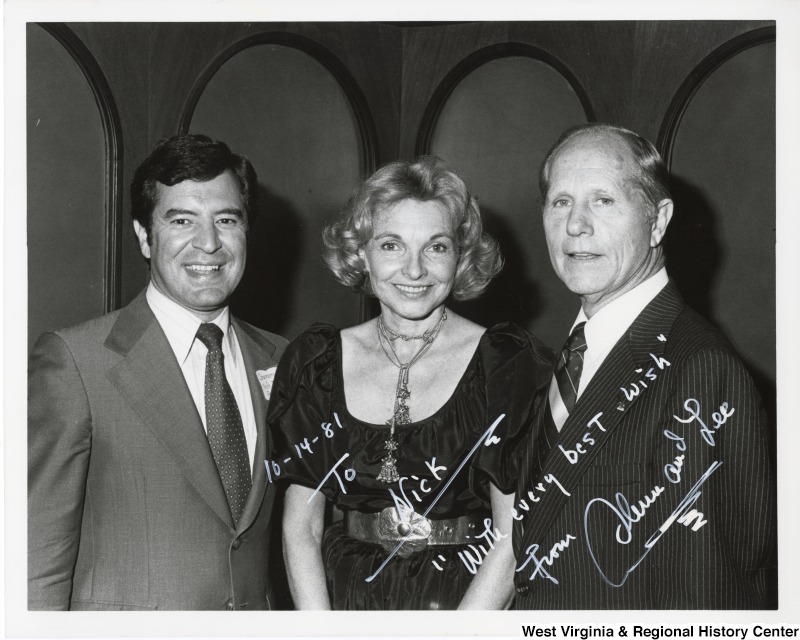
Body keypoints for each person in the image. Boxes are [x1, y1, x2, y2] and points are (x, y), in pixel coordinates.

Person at [266, 156, 552, 610]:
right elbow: (301, 530)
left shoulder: (507, 365)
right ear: (361, 252)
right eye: (392, 245)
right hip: (344, 603)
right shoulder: (315, 364)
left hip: (465, 605)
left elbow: (513, 536)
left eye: (436, 247)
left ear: (461, 256)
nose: (414, 270)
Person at [512, 123, 776, 608]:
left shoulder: (700, 369)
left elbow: (706, 594)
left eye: (603, 201)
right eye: (560, 202)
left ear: (658, 221)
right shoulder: (567, 356)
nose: (575, 225)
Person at [28, 134, 288, 610]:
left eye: (227, 220)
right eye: (182, 220)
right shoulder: (76, 362)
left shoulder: (282, 359)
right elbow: (33, 561)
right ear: (145, 237)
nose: (208, 243)